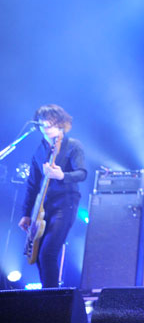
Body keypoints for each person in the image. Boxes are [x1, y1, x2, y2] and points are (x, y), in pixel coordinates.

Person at [18, 104, 87, 288]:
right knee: (37, 256)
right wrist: (26, 214)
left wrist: (62, 175)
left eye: (50, 121)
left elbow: (82, 173)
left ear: (60, 123)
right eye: (42, 122)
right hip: (42, 207)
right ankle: (47, 295)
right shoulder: (39, 150)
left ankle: (52, 299)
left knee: (47, 253)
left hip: (65, 205)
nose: (46, 125)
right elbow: (32, 184)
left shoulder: (72, 146)